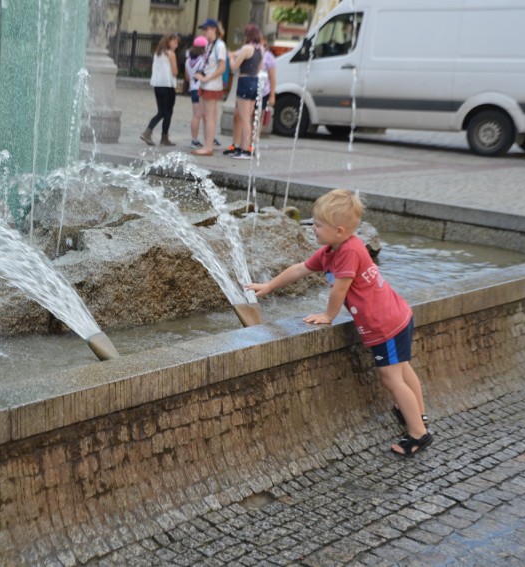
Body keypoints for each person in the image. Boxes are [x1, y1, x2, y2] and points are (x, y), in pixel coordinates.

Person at [245, 189, 433, 457]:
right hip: (397, 314)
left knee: (392, 378)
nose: (313, 228)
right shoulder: (333, 249)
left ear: (340, 230)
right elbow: (299, 269)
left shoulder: (348, 252)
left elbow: (339, 290)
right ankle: (419, 416)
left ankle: (418, 433)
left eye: (319, 225)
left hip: (385, 325)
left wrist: (328, 316)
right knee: (402, 370)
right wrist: (269, 286)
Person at [223, 23, 263, 160]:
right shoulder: (260, 49)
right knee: (248, 117)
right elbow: (259, 68)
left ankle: (245, 151)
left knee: (245, 118)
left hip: (244, 82)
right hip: (255, 82)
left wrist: (230, 57)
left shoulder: (246, 48)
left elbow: (234, 67)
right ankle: (245, 147)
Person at [191, 19, 228, 157]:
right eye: (203, 30)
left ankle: (208, 147)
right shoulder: (209, 45)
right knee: (205, 116)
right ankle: (207, 145)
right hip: (205, 84)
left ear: (214, 29)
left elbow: (222, 67)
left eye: (206, 29)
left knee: (209, 116)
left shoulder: (220, 45)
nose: (204, 32)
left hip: (212, 85)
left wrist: (206, 78)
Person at [141, 32, 180, 147]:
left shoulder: (158, 53)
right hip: (168, 85)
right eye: (175, 42)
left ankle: (157, 135)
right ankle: (155, 134)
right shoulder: (171, 54)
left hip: (157, 85)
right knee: (167, 112)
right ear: (168, 42)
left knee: (161, 111)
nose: (176, 45)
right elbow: (175, 72)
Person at [185, 35, 208, 149]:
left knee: (196, 115)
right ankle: (200, 140)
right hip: (200, 88)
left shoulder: (188, 59)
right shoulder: (203, 59)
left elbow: (187, 76)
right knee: (202, 115)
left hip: (192, 88)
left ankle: (195, 139)